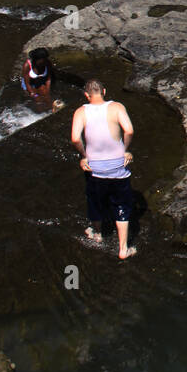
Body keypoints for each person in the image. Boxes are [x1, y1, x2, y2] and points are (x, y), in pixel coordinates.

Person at [70, 79, 136, 260]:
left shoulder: (81, 112)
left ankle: (98, 234)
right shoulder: (116, 107)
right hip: (117, 164)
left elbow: (75, 138)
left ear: (86, 95)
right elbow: (129, 130)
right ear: (104, 91)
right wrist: (125, 150)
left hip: (95, 166)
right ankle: (123, 248)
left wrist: (84, 155)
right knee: (122, 203)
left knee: (95, 198)